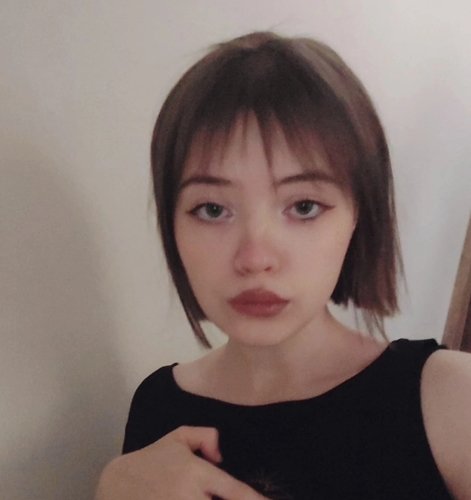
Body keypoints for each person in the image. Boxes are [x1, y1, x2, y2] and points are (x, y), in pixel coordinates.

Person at [95, 32, 471, 499]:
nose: (255, 258)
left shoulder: (451, 399)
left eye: (304, 206)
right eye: (212, 209)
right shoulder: (156, 406)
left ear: (358, 216)